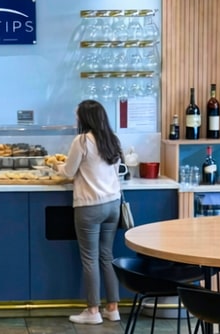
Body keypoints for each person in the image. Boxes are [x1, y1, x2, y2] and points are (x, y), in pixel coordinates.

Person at [56, 100, 123, 325]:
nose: (76, 120)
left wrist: (53, 167)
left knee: (89, 259)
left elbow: (68, 171)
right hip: (113, 204)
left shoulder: (82, 141)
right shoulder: (112, 139)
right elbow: (115, 169)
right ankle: (112, 309)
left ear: (85, 119)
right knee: (106, 256)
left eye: (77, 116)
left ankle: (93, 311)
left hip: (90, 206)